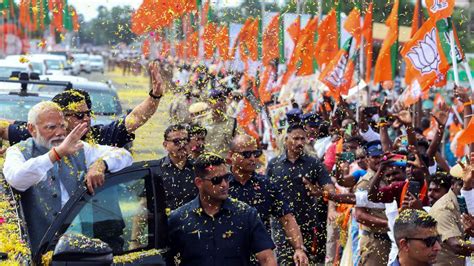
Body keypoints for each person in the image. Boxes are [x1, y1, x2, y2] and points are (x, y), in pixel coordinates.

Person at [3, 101, 133, 254]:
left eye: (62, 126)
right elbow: (17, 179)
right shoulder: (17, 151)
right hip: (39, 253)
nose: (60, 133)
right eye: (51, 127)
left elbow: (125, 155)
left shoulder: (78, 148)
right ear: (32, 129)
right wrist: (56, 154)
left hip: (85, 251)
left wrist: (101, 164)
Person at [0, 60, 165, 149]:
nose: (86, 119)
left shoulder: (99, 136)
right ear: (61, 117)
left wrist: (155, 95)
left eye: (88, 113)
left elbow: (135, 118)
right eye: (79, 115)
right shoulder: (40, 134)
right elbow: (4, 127)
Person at [167, 153, 277, 266]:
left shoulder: (246, 214)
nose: (224, 184)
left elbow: (267, 259)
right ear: (199, 182)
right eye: (216, 180)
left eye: (227, 178)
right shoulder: (179, 219)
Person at [228, 134, 309, 265]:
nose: (253, 158)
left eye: (256, 153)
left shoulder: (266, 185)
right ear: (231, 155)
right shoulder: (220, 185)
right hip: (228, 254)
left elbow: (287, 218)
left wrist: (299, 248)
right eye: (246, 154)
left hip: (262, 255)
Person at [267, 123, 336, 264]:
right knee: (285, 261)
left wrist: (322, 195)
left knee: (306, 261)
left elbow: (331, 190)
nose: (299, 143)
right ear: (286, 140)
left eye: (302, 139)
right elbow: (266, 193)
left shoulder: (313, 164)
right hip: (282, 225)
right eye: (295, 138)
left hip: (307, 223)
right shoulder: (274, 164)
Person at [158, 124, 197, 210]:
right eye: (177, 141)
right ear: (165, 145)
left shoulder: (198, 167)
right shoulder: (158, 169)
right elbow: (143, 203)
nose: (182, 144)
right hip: (168, 221)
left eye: (185, 140)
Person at [201, 88, 238, 158]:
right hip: (206, 162)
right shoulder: (201, 121)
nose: (219, 103)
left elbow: (240, 143)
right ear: (209, 103)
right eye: (215, 100)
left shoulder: (233, 123)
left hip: (225, 164)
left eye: (222, 100)